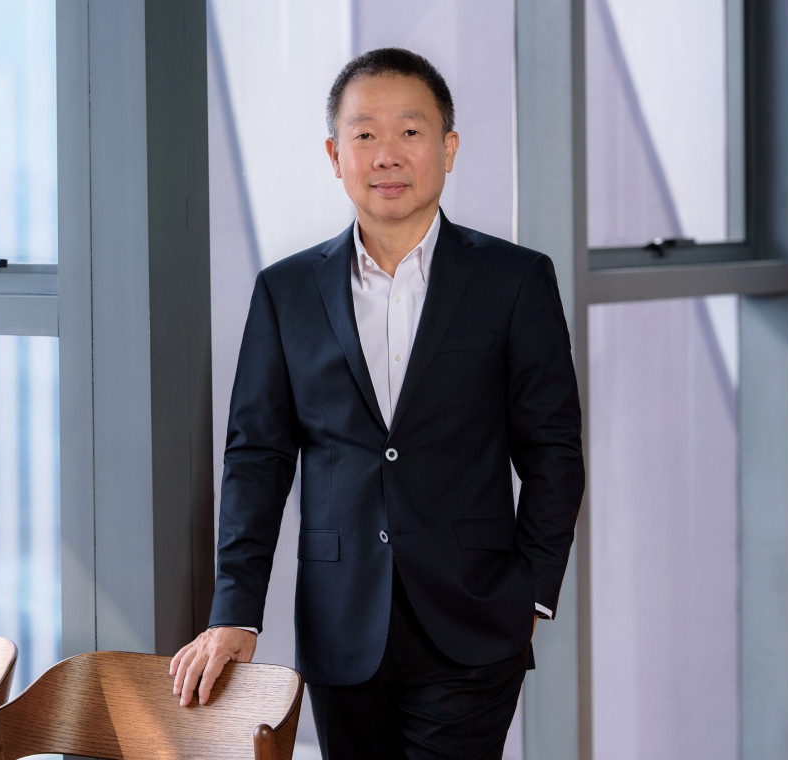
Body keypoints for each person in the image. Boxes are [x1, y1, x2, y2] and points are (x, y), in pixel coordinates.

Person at [171, 47, 584, 759]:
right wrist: (236, 611)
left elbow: (553, 452)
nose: (387, 154)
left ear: (448, 148)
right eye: (364, 134)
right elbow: (257, 459)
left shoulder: (514, 281)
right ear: (336, 156)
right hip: (340, 623)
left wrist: (532, 595)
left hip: (474, 620)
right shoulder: (286, 292)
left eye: (410, 132)